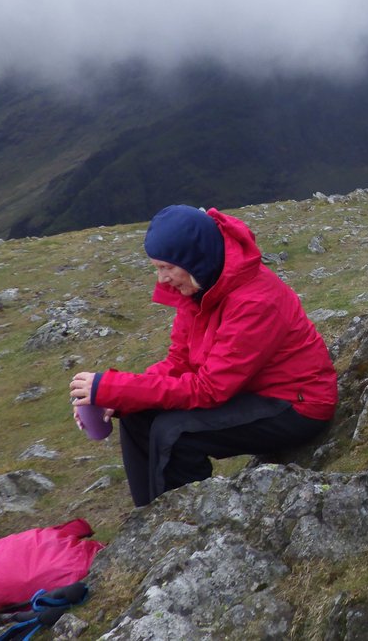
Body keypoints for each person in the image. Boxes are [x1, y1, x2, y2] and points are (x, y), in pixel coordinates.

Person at [69, 205, 338, 507]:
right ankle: (148, 517)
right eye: (157, 268)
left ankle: (184, 520)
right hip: (250, 389)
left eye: (167, 267)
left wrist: (115, 387)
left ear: (194, 259)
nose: (162, 279)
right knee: (136, 415)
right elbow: (179, 363)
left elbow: (210, 389)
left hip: (296, 404)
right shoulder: (201, 289)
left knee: (174, 433)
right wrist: (117, 396)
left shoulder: (255, 302)